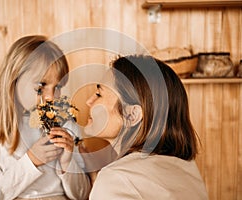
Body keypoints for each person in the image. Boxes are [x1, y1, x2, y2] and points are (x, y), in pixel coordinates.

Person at [0, 35, 91, 200]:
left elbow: (83, 195)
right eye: (40, 88)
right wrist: (31, 161)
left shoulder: (68, 126)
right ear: (14, 80)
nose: (51, 97)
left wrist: (67, 163)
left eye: (58, 87)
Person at [82, 54, 208, 199]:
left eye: (98, 94)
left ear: (132, 115)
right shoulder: (188, 167)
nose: (89, 101)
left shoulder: (116, 179)